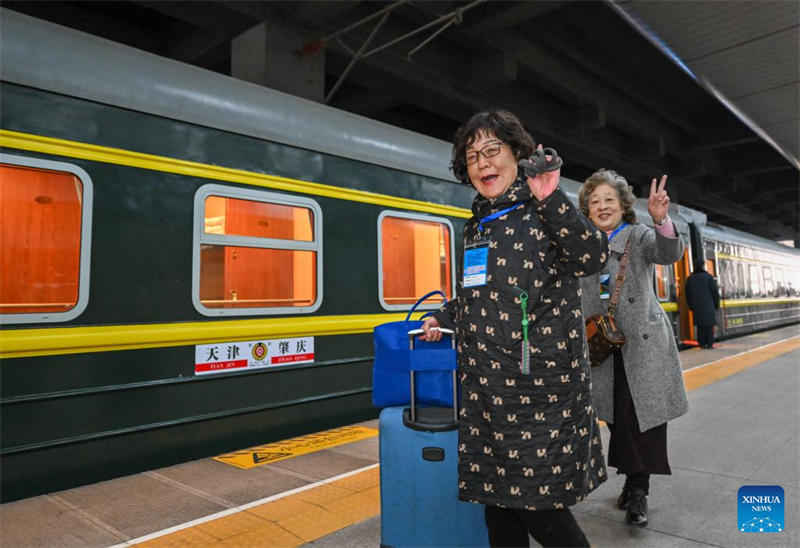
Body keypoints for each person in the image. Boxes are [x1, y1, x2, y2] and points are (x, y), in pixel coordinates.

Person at [420, 109, 609, 548]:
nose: (482, 163)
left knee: (540, 509)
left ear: (516, 154)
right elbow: (476, 291)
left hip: (539, 386)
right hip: (487, 388)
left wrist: (551, 196)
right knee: (498, 505)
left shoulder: (541, 207)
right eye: (472, 157)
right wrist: (442, 317)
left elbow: (593, 256)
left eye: (492, 151)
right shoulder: (479, 223)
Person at [578, 169, 689, 528]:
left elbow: (668, 253)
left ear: (622, 204)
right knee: (616, 418)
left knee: (643, 418)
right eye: (594, 201)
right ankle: (633, 479)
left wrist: (661, 220)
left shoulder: (639, 235)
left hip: (642, 345)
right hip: (603, 347)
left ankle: (639, 489)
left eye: (609, 199)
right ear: (587, 209)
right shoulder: (582, 243)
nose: (602, 206)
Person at [685, 264, 721, 348]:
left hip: (697, 307)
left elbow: (688, 294)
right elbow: (715, 293)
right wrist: (716, 304)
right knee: (709, 326)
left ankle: (701, 343)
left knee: (700, 326)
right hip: (709, 306)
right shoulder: (709, 277)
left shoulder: (690, 279)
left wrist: (690, 306)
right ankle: (709, 343)